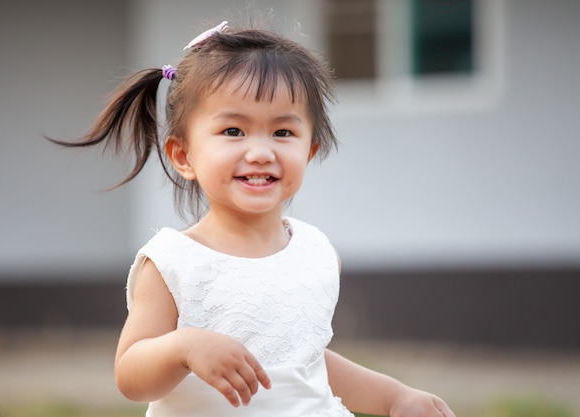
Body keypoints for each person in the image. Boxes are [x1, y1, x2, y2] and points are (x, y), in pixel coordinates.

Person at [51, 19, 456, 417]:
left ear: (309, 151)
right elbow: (130, 376)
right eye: (233, 131)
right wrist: (185, 347)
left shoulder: (315, 251)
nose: (261, 151)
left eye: (282, 133)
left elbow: (307, 367)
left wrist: (394, 398)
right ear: (184, 156)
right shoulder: (174, 262)